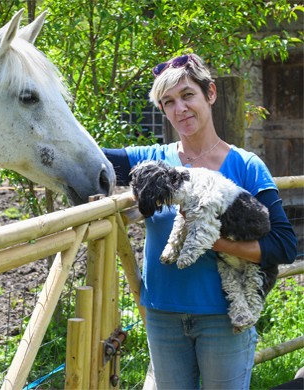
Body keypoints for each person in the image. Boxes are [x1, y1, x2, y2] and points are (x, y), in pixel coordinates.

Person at [102, 53, 298, 389]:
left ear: (210, 94)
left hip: (222, 319)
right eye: (168, 102)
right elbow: (88, 158)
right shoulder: (151, 162)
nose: (180, 109)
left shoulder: (246, 166)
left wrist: (211, 239)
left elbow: (283, 245)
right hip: (162, 317)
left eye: (188, 95)